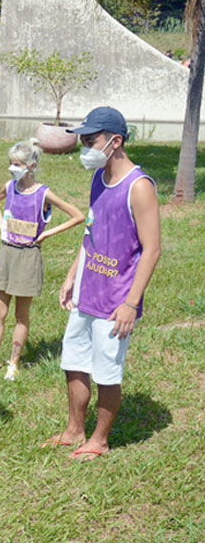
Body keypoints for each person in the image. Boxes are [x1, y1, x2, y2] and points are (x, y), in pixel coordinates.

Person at [43, 107, 161, 460]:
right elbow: (91, 233)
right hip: (87, 292)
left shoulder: (139, 187)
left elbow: (152, 249)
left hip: (116, 300)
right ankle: (74, 429)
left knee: (107, 370)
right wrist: (71, 276)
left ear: (115, 141)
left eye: (90, 140)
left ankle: (100, 439)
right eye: (82, 140)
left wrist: (131, 302)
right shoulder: (98, 178)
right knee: (74, 362)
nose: (84, 147)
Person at [0, 138, 84, 382]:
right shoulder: (9, 187)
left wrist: (46, 233)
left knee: (21, 314)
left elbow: (77, 215)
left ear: (31, 166)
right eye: (11, 163)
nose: (13, 168)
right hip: (6, 252)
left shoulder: (43, 193)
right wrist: (1, 224)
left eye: (18, 164)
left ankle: (13, 362)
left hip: (28, 255)